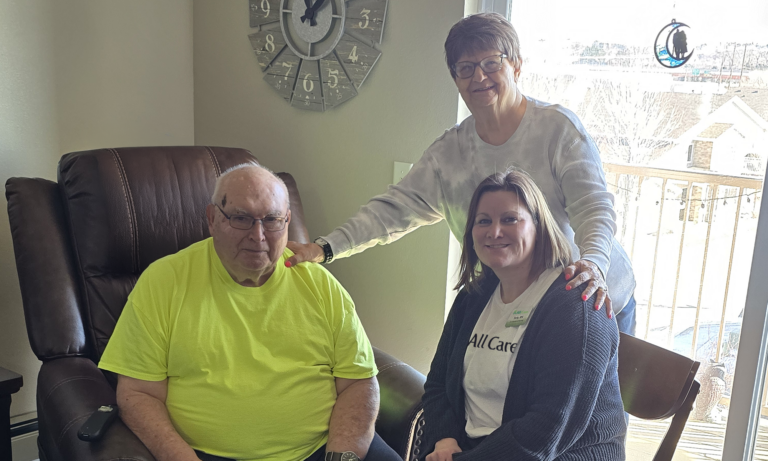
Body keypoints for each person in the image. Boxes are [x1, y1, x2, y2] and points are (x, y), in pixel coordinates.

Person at [286, 12, 637, 335]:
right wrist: (325, 248)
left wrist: (593, 266)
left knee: (598, 404)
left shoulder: (557, 130)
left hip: (591, 297)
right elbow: (390, 211)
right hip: (515, 309)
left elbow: (595, 209)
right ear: (455, 78)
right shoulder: (448, 154)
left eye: (491, 63)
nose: (479, 76)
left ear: (516, 66)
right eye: (465, 68)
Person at [98, 164, 401, 461]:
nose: (258, 236)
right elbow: (138, 394)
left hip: (323, 450)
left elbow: (358, 382)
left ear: (287, 221)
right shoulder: (164, 281)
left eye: (271, 220)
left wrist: (342, 457)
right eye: (241, 218)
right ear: (212, 219)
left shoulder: (320, 285)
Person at [421, 169, 626, 461]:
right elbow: (438, 385)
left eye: (509, 219)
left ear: (539, 227)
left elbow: (543, 434)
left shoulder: (577, 307)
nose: (494, 232)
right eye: (483, 221)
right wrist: (445, 439)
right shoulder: (473, 297)